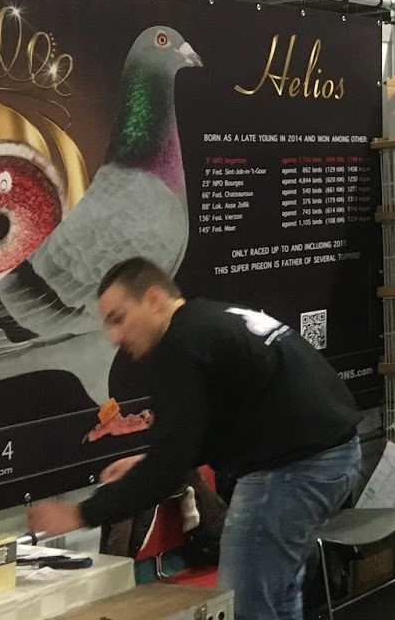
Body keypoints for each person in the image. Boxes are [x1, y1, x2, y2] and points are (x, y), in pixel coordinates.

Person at [27, 259, 362, 620]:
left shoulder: (181, 346)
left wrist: (79, 514)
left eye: (119, 319)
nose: (115, 338)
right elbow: (204, 428)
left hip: (294, 471)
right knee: (277, 596)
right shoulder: (207, 322)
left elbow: (166, 472)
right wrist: (147, 462)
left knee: (243, 606)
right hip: (334, 456)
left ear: (154, 299)